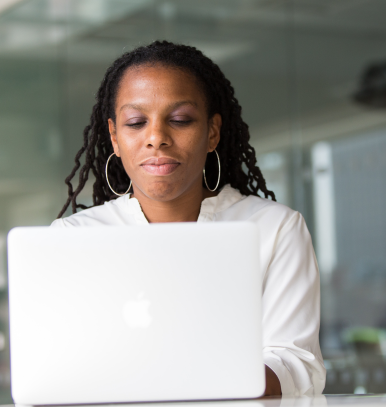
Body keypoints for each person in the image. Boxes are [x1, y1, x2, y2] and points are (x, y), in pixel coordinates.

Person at [51, 41, 326, 397]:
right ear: (115, 138)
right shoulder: (73, 238)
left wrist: (172, 379)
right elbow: (56, 368)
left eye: (180, 120)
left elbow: (296, 365)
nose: (157, 138)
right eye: (136, 123)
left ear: (212, 132)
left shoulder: (273, 229)